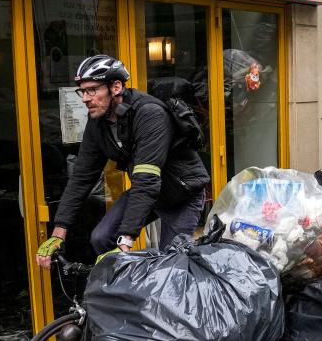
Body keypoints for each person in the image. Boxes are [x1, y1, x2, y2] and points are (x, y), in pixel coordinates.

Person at [35, 55, 209, 268]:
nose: (85, 98)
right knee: (101, 238)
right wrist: (59, 233)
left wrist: (126, 241)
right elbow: (81, 178)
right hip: (146, 193)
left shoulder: (150, 114)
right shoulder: (98, 122)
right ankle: (127, 292)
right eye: (82, 91)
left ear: (115, 87)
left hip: (182, 194)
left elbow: (146, 181)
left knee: (171, 264)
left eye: (92, 90)